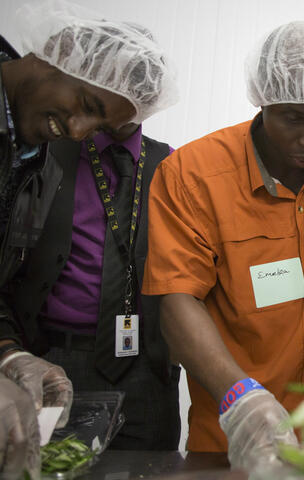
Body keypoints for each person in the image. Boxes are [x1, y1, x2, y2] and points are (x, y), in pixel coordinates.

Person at [142, 20, 304, 472]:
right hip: (231, 438)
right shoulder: (191, 173)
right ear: (264, 98)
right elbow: (178, 297)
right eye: (295, 118)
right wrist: (241, 401)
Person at [0, 0, 178, 473]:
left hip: (145, 369)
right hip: (49, 355)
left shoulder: (174, 167)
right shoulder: (41, 150)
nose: (86, 130)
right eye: (94, 109)